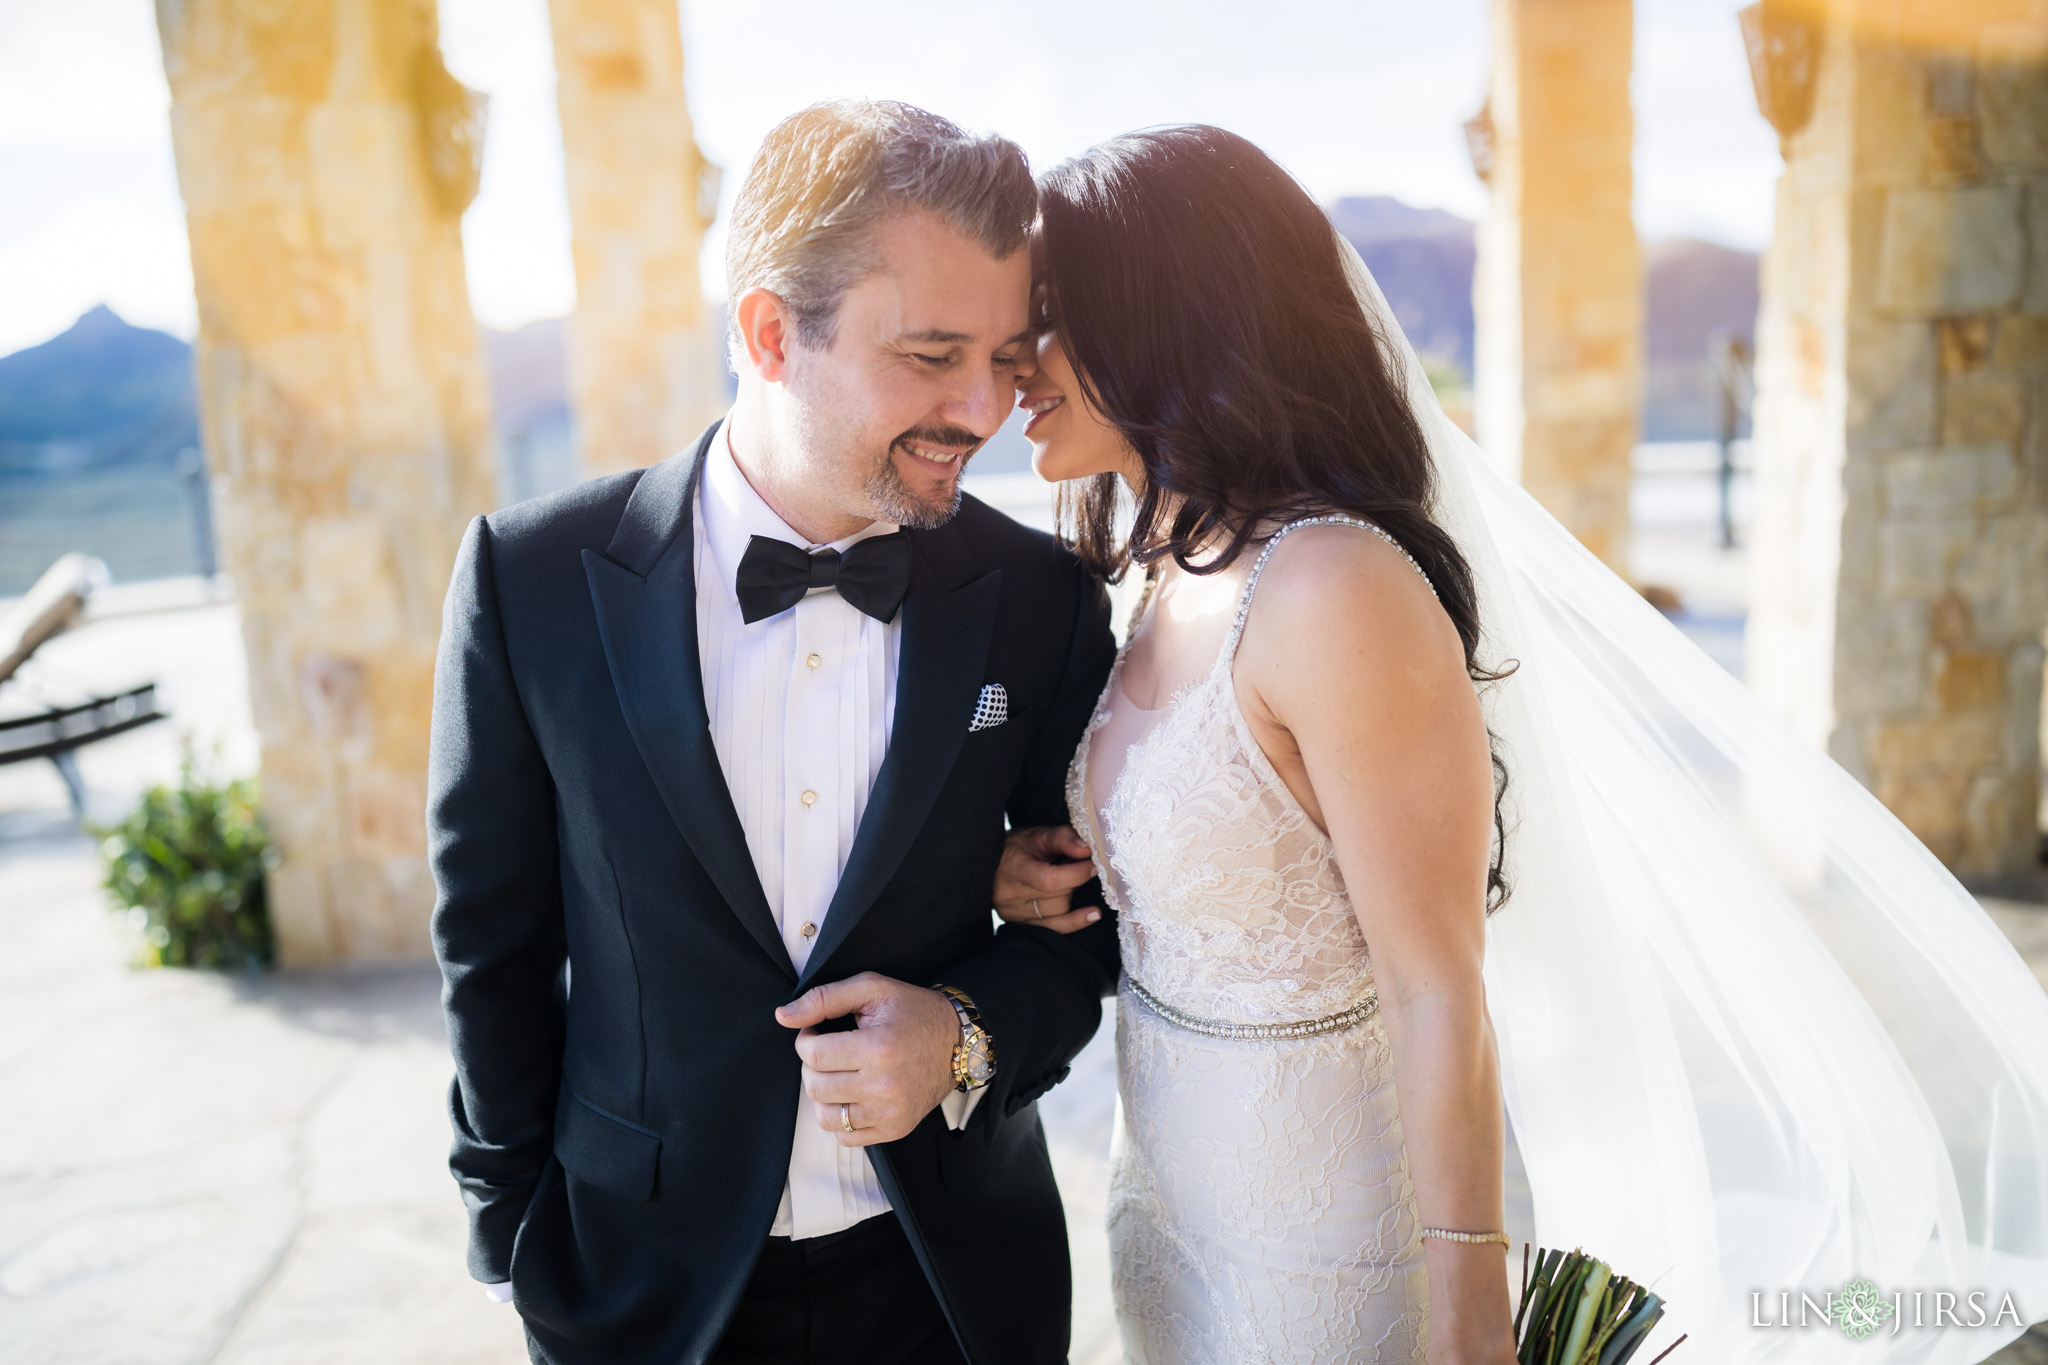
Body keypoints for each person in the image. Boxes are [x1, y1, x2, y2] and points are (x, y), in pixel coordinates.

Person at [995, 124, 2048, 1365]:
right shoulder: (1164, 575)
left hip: (1321, 1242)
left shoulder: (1328, 586)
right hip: (1162, 1211)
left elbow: (1436, 986)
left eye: (1056, 314)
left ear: (1162, 317)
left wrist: (1464, 1308)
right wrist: (1024, 873)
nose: (1018, 357)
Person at [427, 100, 1120, 1365]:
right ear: (767, 333)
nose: (981, 408)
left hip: (951, 1288)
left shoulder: (1043, 602)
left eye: (1005, 358)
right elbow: (492, 944)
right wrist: (507, 1238)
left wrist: (963, 1035)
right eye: (929, 355)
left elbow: (1098, 926)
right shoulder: (529, 583)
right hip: (636, 1289)